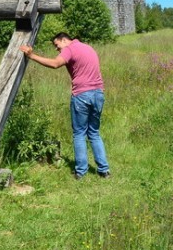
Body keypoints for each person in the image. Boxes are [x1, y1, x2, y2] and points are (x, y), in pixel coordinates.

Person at [19, 32, 110, 180]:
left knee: (79, 133)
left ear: (64, 40)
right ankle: (104, 170)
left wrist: (31, 55)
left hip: (82, 95)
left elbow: (55, 64)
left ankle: (81, 172)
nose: (57, 49)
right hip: (98, 94)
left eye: (57, 45)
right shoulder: (88, 48)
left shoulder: (70, 48)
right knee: (94, 132)